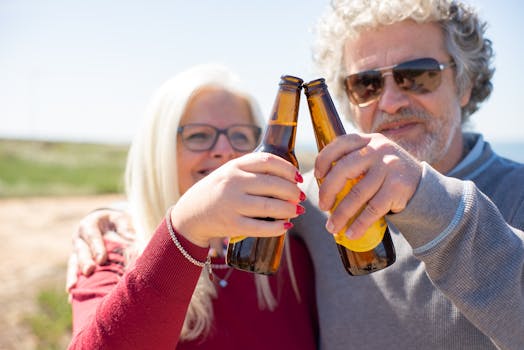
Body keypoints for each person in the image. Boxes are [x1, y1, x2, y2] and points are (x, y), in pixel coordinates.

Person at [70, 1, 524, 349]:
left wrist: (427, 196)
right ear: (346, 100)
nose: (388, 101)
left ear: (464, 83)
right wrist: (118, 219)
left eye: (416, 76)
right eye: (366, 84)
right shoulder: (308, 204)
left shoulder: (517, 191)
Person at [66, 64, 317, 349]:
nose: (225, 149)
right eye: (198, 135)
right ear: (158, 151)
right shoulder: (111, 250)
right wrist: (186, 228)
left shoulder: (292, 255)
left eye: (241, 136)